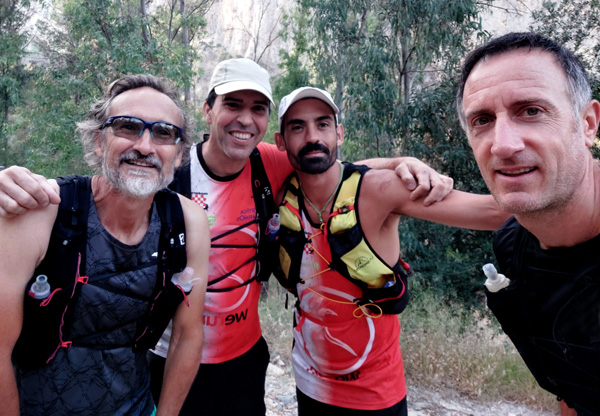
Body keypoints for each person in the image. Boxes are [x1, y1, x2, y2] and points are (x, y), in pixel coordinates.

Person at [0, 59, 455, 416]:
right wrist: (12, 182)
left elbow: (329, 165)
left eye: (258, 109)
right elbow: (101, 191)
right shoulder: (167, 168)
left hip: (242, 361)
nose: (245, 119)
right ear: (208, 110)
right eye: (232, 104)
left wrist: (404, 163)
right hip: (164, 356)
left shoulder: (269, 162)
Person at [272, 86, 509, 415]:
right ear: (281, 141)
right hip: (308, 383)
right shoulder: (282, 193)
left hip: (375, 393)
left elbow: (494, 213)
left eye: (323, 124)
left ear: (339, 133)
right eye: (297, 127)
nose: (312, 136)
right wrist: (396, 159)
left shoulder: (379, 189)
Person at [0, 74, 210, 415]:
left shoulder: (189, 223)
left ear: (178, 154)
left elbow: (187, 335)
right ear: (99, 141)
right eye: (128, 127)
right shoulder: (43, 212)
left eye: (163, 133)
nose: (145, 146)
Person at [457, 32, 600, 416]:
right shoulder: (513, 246)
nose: (503, 145)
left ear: (587, 124)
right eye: (482, 120)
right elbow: (573, 386)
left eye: (531, 111)